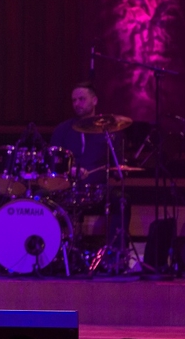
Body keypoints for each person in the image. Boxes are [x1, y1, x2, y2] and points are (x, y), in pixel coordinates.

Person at [50, 81, 130, 271]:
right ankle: (55, 257)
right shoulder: (63, 130)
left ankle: (114, 258)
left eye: (82, 99)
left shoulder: (110, 132)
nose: (77, 104)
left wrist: (119, 170)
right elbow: (52, 163)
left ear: (94, 101)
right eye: (74, 100)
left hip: (99, 192)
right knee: (45, 201)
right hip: (67, 191)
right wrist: (70, 171)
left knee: (122, 201)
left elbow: (117, 167)